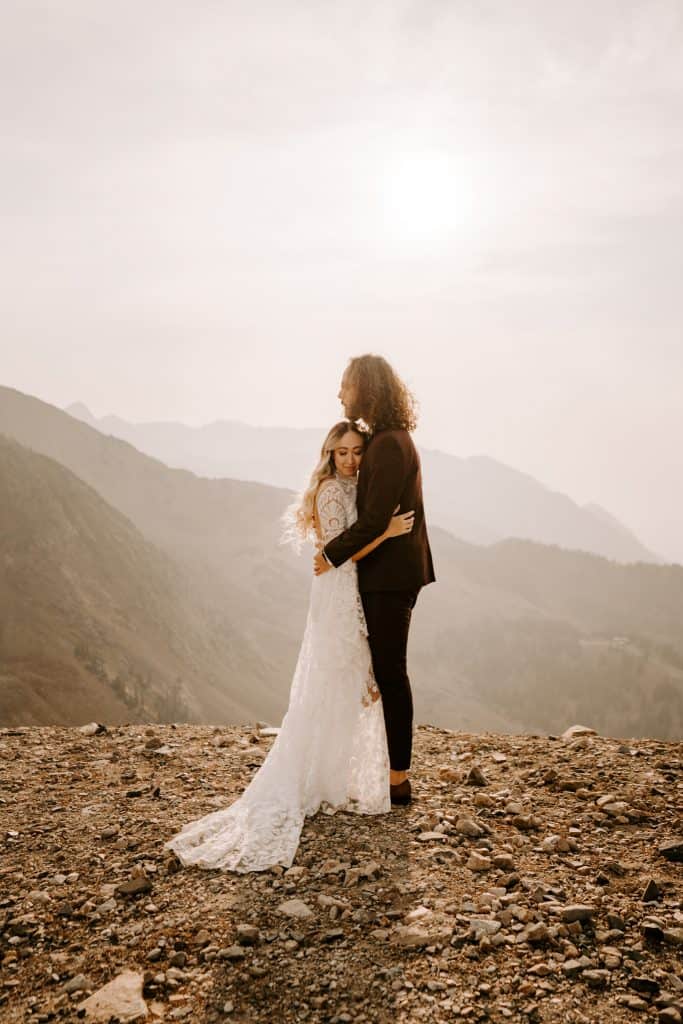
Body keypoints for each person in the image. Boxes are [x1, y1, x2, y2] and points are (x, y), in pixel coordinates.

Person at [163, 420, 414, 872]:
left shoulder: (351, 487)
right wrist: (388, 532)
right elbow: (337, 552)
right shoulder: (332, 493)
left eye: (358, 451)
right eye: (343, 453)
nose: (352, 460)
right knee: (343, 679)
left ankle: (332, 777)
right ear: (329, 455)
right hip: (339, 592)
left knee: (350, 683)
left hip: (349, 587)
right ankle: (318, 779)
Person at [314, 355, 435, 807]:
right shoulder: (391, 439)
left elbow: (372, 521)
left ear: (364, 389)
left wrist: (329, 555)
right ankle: (384, 771)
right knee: (384, 672)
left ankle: (398, 780)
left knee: (390, 673)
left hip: (389, 576)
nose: (340, 394)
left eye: (345, 386)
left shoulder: (386, 445)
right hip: (395, 572)